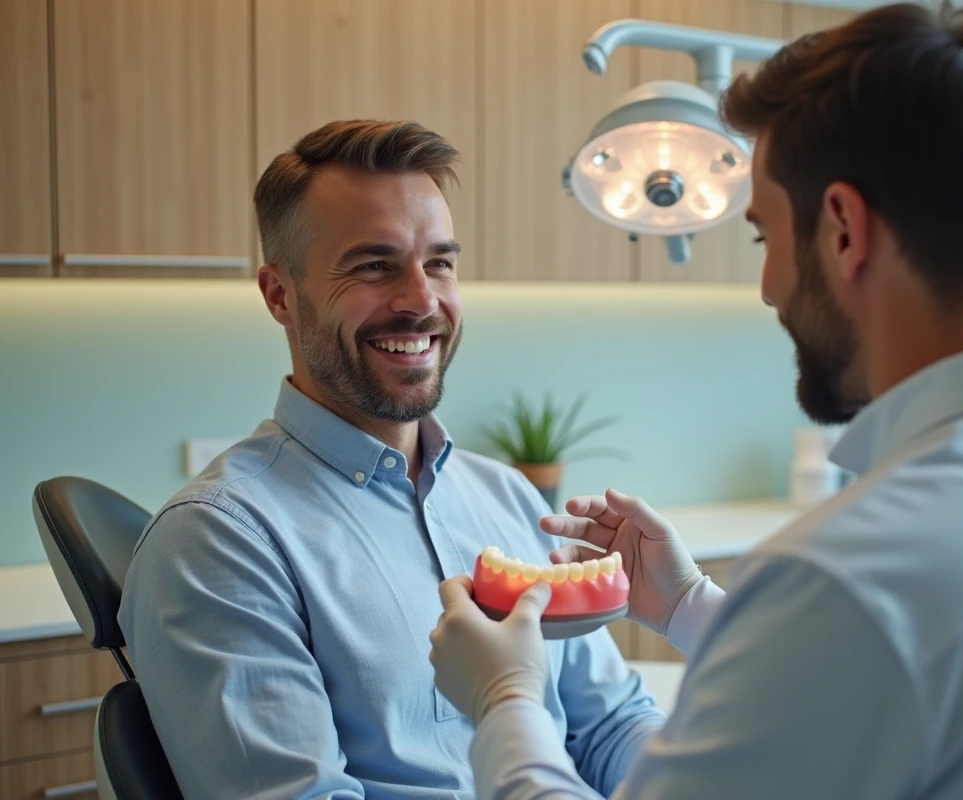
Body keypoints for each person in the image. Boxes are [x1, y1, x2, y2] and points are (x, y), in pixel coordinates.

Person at [428, 4, 963, 798]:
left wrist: (505, 700)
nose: (766, 289)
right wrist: (690, 604)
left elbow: (865, 632)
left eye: (763, 238)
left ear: (842, 230)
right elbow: (896, 686)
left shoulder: (843, 579)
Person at [118, 119, 665, 798]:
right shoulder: (219, 542)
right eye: (374, 266)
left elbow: (612, 725)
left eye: (439, 262)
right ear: (280, 295)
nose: (422, 300)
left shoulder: (508, 497)